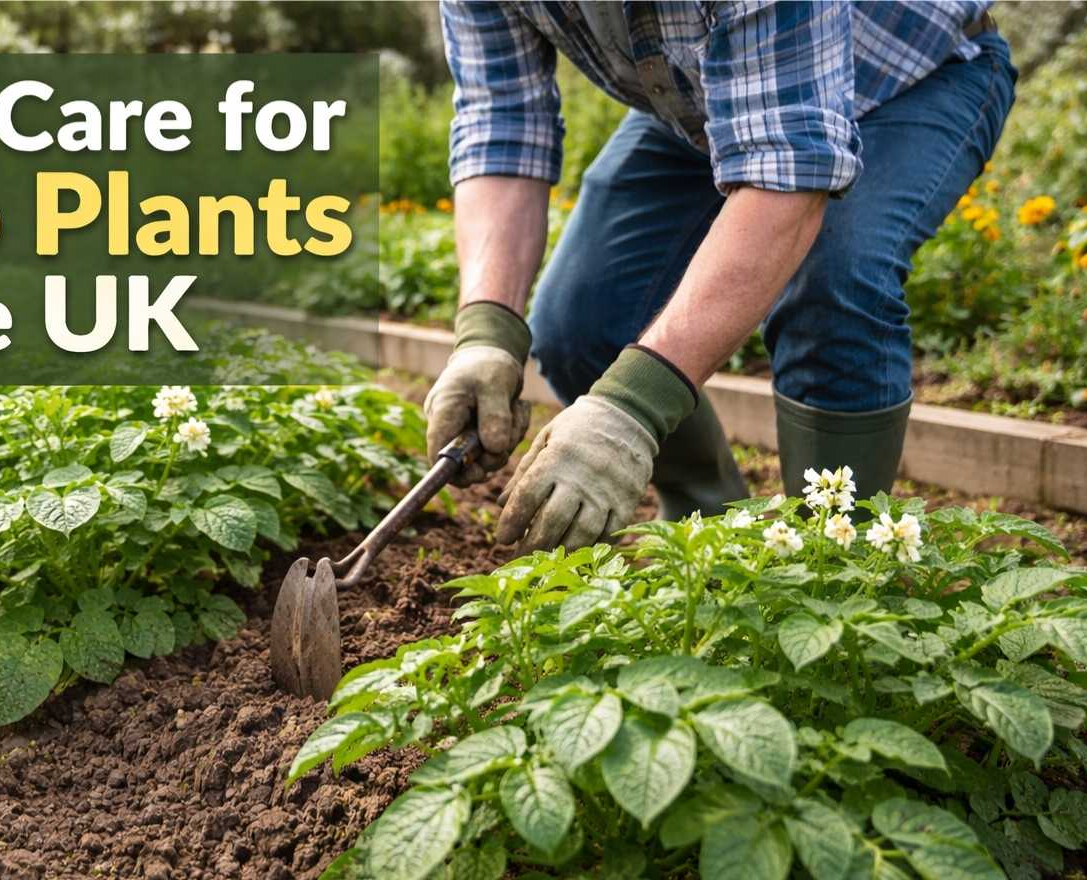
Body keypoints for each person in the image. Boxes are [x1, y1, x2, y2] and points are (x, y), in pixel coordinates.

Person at [423, 1, 1016, 552]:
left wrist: (632, 407)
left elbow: (789, 165)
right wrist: (486, 334)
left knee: (833, 278)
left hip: (911, 78)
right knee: (585, 318)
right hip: (711, 102)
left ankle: (841, 575)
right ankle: (706, 531)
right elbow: (502, 127)